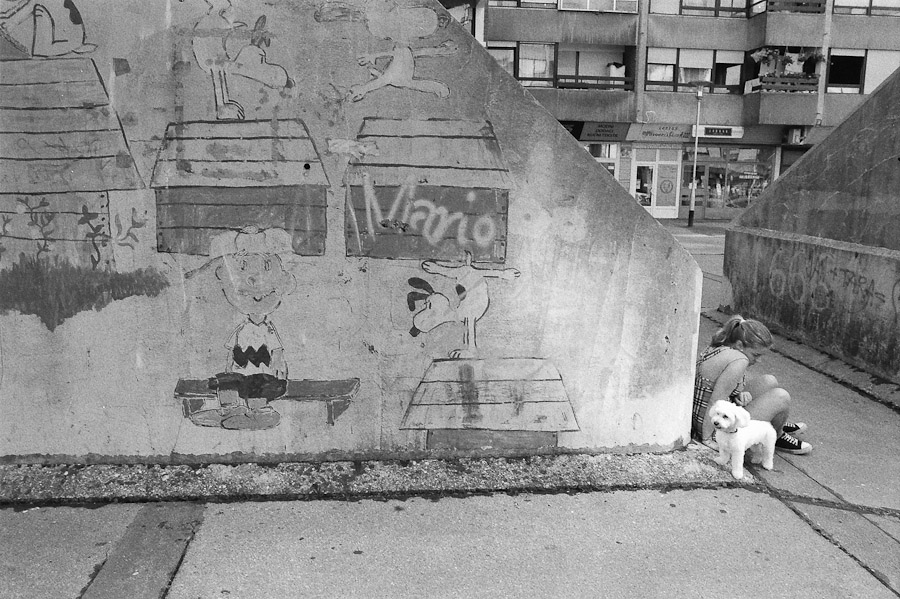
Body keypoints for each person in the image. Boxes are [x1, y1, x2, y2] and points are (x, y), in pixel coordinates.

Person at [693, 315, 812, 454]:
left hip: (704, 415)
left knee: (770, 380)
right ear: (739, 345)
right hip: (717, 428)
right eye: (756, 355)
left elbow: (715, 386)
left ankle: (775, 425)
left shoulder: (721, 345)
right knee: (781, 397)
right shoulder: (739, 360)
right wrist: (707, 438)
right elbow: (715, 401)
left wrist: (737, 394)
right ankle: (776, 436)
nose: (759, 360)